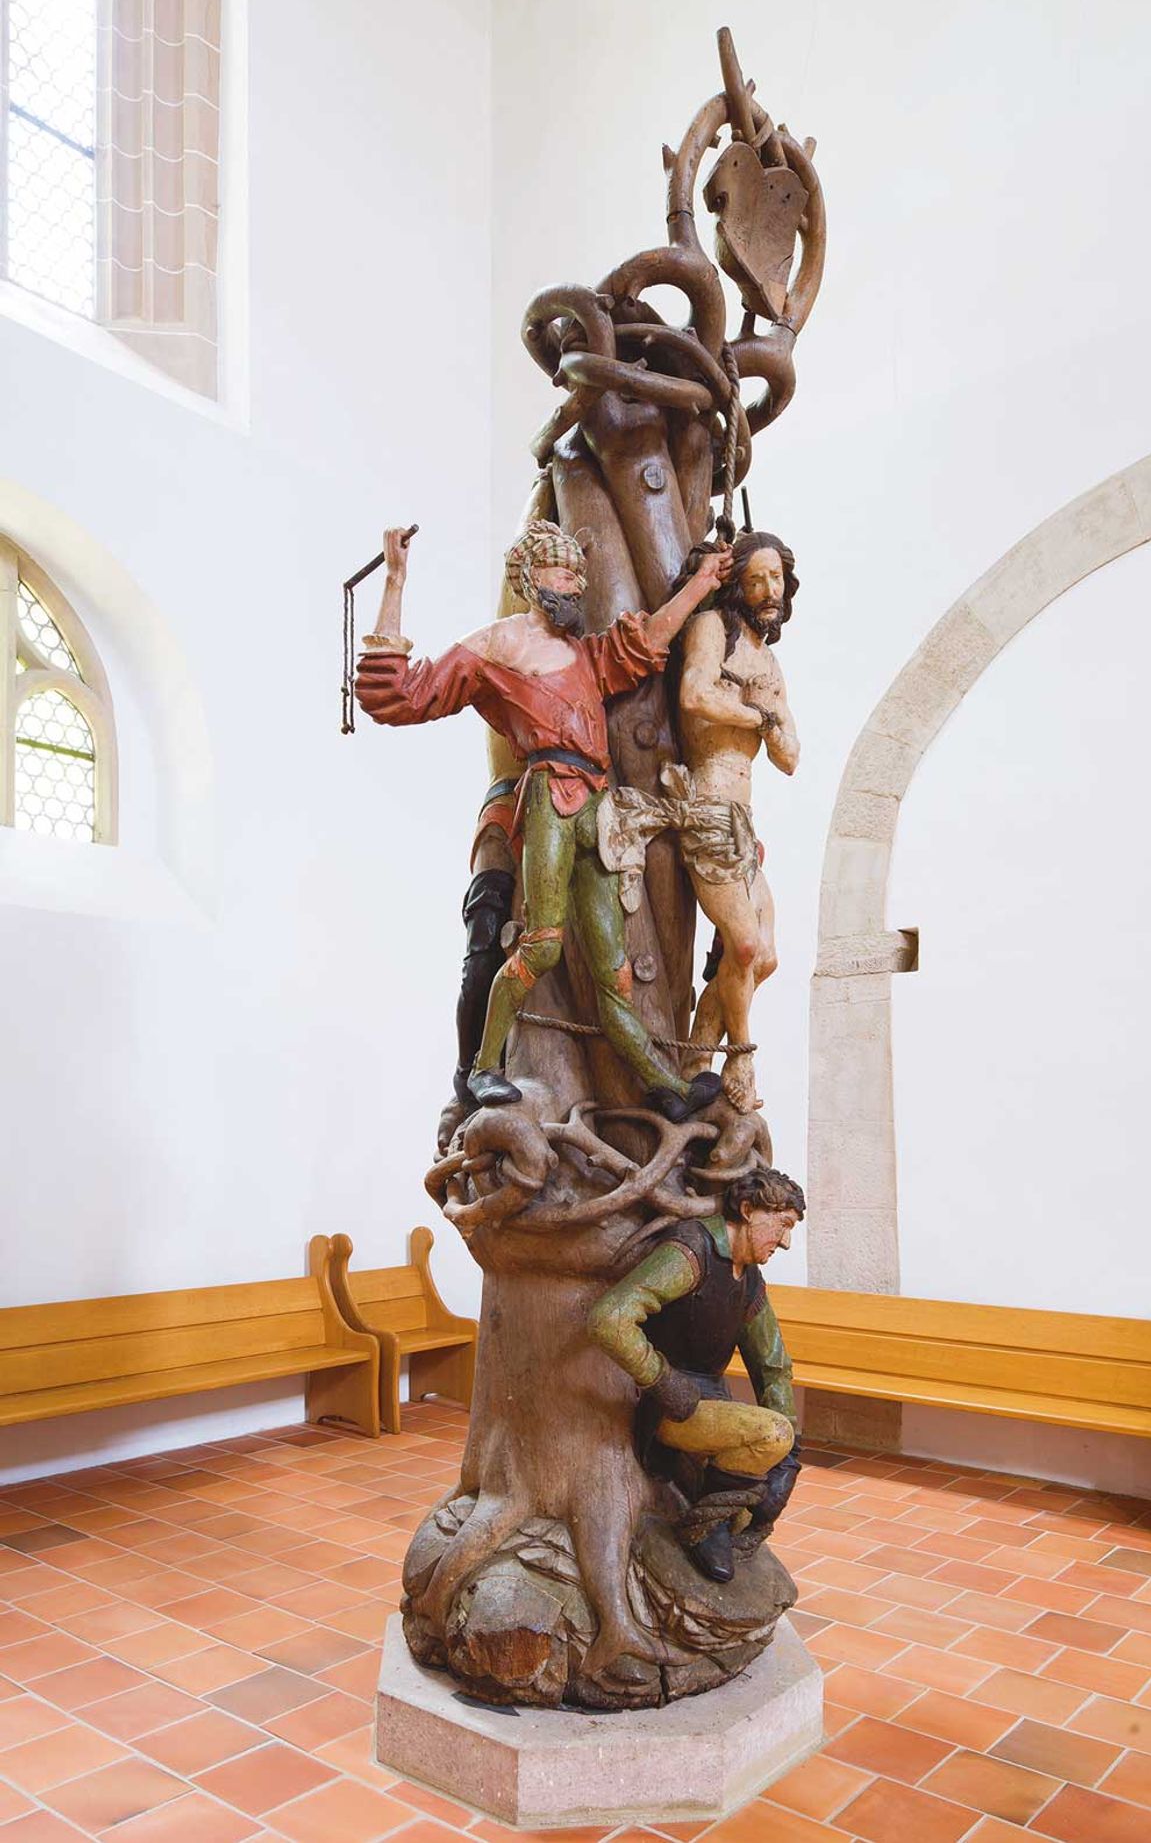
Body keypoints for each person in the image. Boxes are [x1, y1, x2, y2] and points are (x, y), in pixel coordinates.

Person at [355, 520, 734, 1118]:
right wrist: (396, 580)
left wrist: (701, 584)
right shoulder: (498, 646)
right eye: (564, 571)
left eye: (579, 573)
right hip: (546, 799)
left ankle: (666, 1087)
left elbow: (645, 645)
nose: (576, 583)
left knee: (614, 967)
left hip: (596, 807)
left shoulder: (583, 655)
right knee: (543, 946)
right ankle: (481, 1070)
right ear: (532, 577)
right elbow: (398, 694)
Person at [600, 530, 799, 1112]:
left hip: (744, 817)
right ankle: (741, 1059)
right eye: (756, 578)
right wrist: (758, 712)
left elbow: (790, 757)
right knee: (740, 945)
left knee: (766, 957)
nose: (768, 590)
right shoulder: (713, 629)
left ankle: (696, 1056)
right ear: (737, 582)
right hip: (706, 806)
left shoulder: (768, 660)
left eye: (776, 579)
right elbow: (693, 696)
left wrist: (771, 715)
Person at [587, 1165, 804, 1583]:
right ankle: (704, 1528)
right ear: (747, 1209)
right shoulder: (691, 1253)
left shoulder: (749, 1280)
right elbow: (610, 1317)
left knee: (755, 1503)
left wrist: (790, 1460)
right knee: (770, 1435)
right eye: (783, 1225)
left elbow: (772, 1364)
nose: (787, 1242)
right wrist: (664, 1381)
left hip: (708, 1403)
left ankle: (720, 1518)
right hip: (667, 1406)